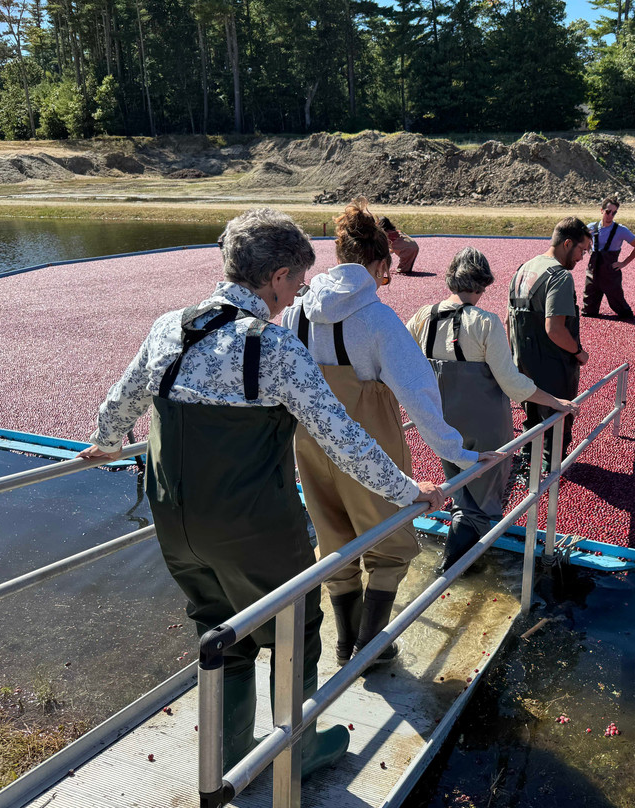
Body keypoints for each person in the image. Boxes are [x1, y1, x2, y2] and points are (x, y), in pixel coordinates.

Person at [76, 209, 446, 778]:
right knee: (293, 623)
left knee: (220, 626)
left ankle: (229, 755)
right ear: (276, 276)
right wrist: (409, 491)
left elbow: (120, 404)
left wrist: (103, 443)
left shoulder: (168, 327)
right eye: (296, 281)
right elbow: (344, 441)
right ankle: (293, 750)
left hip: (176, 522)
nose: (297, 292)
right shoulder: (271, 348)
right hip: (254, 526)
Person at [282, 199, 502, 669]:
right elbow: (419, 394)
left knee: (333, 537)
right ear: (380, 263)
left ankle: (345, 643)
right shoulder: (377, 319)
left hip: (309, 439)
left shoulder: (295, 312)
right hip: (368, 442)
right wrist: (460, 453)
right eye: (387, 271)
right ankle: (371, 647)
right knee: (390, 542)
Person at [407, 247, 579, 572]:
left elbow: (404, 365)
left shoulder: (423, 317)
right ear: (482, 282)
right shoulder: (484, 322)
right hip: (485, 424)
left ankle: (454, 562)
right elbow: (511, 382)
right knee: (482, 503)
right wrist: (556, 402)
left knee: (460, 492)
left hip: (442, 423)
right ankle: (452, 570)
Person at [507, 216, 591, 472]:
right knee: (557, 419)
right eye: (581, 250)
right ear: (567, 243)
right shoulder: (560, 276)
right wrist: (579, 353)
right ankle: (549, 472)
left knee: (531, 415)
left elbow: (509, 318)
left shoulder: (525, 268)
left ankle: (527, 461)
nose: (582, 257)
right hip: (552, 366)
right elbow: (554, 328)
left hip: (522, 362)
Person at [582, 197, 635, 320]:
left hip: (610, 273)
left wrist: (624, 263)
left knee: (621, 308)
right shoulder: (591, 228)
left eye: (614, 213)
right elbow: (581, 242)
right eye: (608, 211)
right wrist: (586, 248)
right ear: (601, 210)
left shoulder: (621, 230)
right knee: (588, 311)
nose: (611, 215)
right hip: (593, 273)